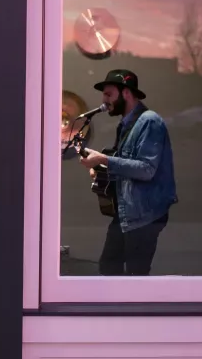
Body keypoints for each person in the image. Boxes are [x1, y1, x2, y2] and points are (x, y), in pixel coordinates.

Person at [78, 69, 177, 276]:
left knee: (135, 277)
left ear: (126, 93)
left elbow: (146, 169)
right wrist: (101, 170)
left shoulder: (149, 121)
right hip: (127, 213)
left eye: (108, 94)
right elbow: (127, 165)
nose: (104, 101)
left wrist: (104, 159)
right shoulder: (127, 124)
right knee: (109, 267)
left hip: (144, 215)